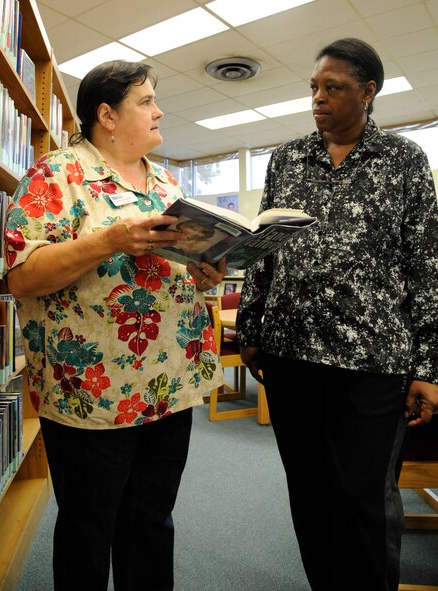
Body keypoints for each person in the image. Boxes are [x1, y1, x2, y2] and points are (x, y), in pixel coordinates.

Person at [4, 60, 226, 591]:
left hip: (170, 384)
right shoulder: (56, 176)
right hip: (93, 395)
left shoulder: (167, 181)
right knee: (89, 529)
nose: (159, 110)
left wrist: (205, 273)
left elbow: (175, 276)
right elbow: (23, 277)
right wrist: (106, 241)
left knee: (152, 522)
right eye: (146, 101)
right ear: (106, 114)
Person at [236, 38, 438, 591]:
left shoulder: (404, 160)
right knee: (308, 488)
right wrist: (250, 327)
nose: (318, 99)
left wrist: (428, 366)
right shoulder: (287, 158)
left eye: (334, 88)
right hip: (291, 355)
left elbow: (426, 269)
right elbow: (263, 250)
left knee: (364, 500)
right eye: (314, 88)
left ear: (368, 92)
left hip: (371, 362)